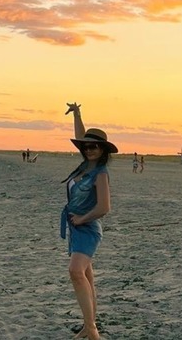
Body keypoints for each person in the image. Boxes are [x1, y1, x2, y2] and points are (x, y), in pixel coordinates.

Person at [61, 102, 116, 340]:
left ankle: (92, 329)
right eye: (88, 146)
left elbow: (104, 207)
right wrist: (78, 114)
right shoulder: (84, 166)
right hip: (76, 228)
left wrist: (82, 218)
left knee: (75, 271)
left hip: (88, 228)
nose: (90, 149)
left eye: (95, 146)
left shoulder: (100, 173)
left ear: (103, 150)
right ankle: (88, 325)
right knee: (87, 276)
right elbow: (80, 136)